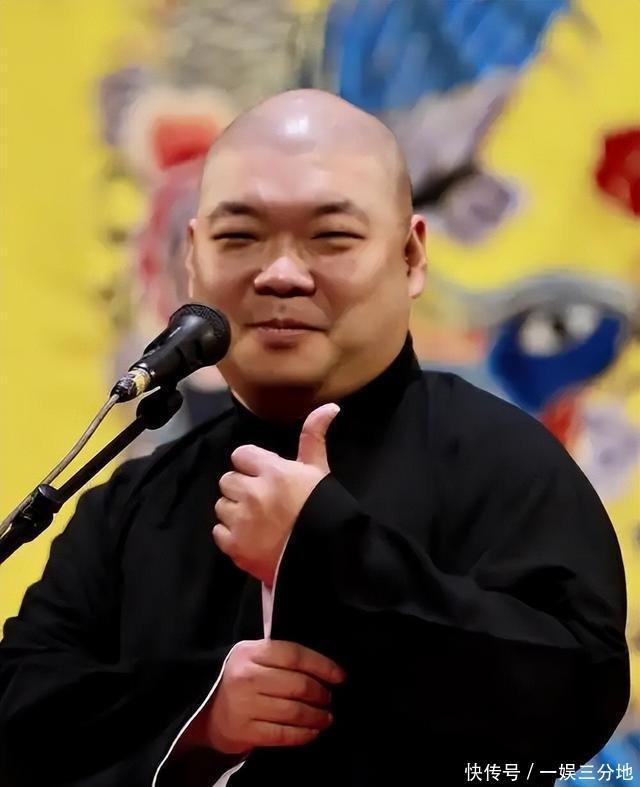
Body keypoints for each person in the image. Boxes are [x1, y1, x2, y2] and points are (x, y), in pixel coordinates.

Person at [0, 89, 630, 787]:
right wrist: (203, 712)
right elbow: (20, 705)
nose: (280, 274)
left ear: (411, 256)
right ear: (193, 258)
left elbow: (577, 694)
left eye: (330, 237)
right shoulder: (136, 499)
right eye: (240, 237)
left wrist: (331, 550)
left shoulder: (502, 460)